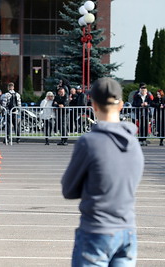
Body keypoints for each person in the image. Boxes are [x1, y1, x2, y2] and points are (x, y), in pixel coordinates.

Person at [62, 77, 143, 267]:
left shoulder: (89, 142)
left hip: (96, 231)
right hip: (127, 230)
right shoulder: (133, 143)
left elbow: (69, 189)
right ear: (121, 105)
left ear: (93, 104)